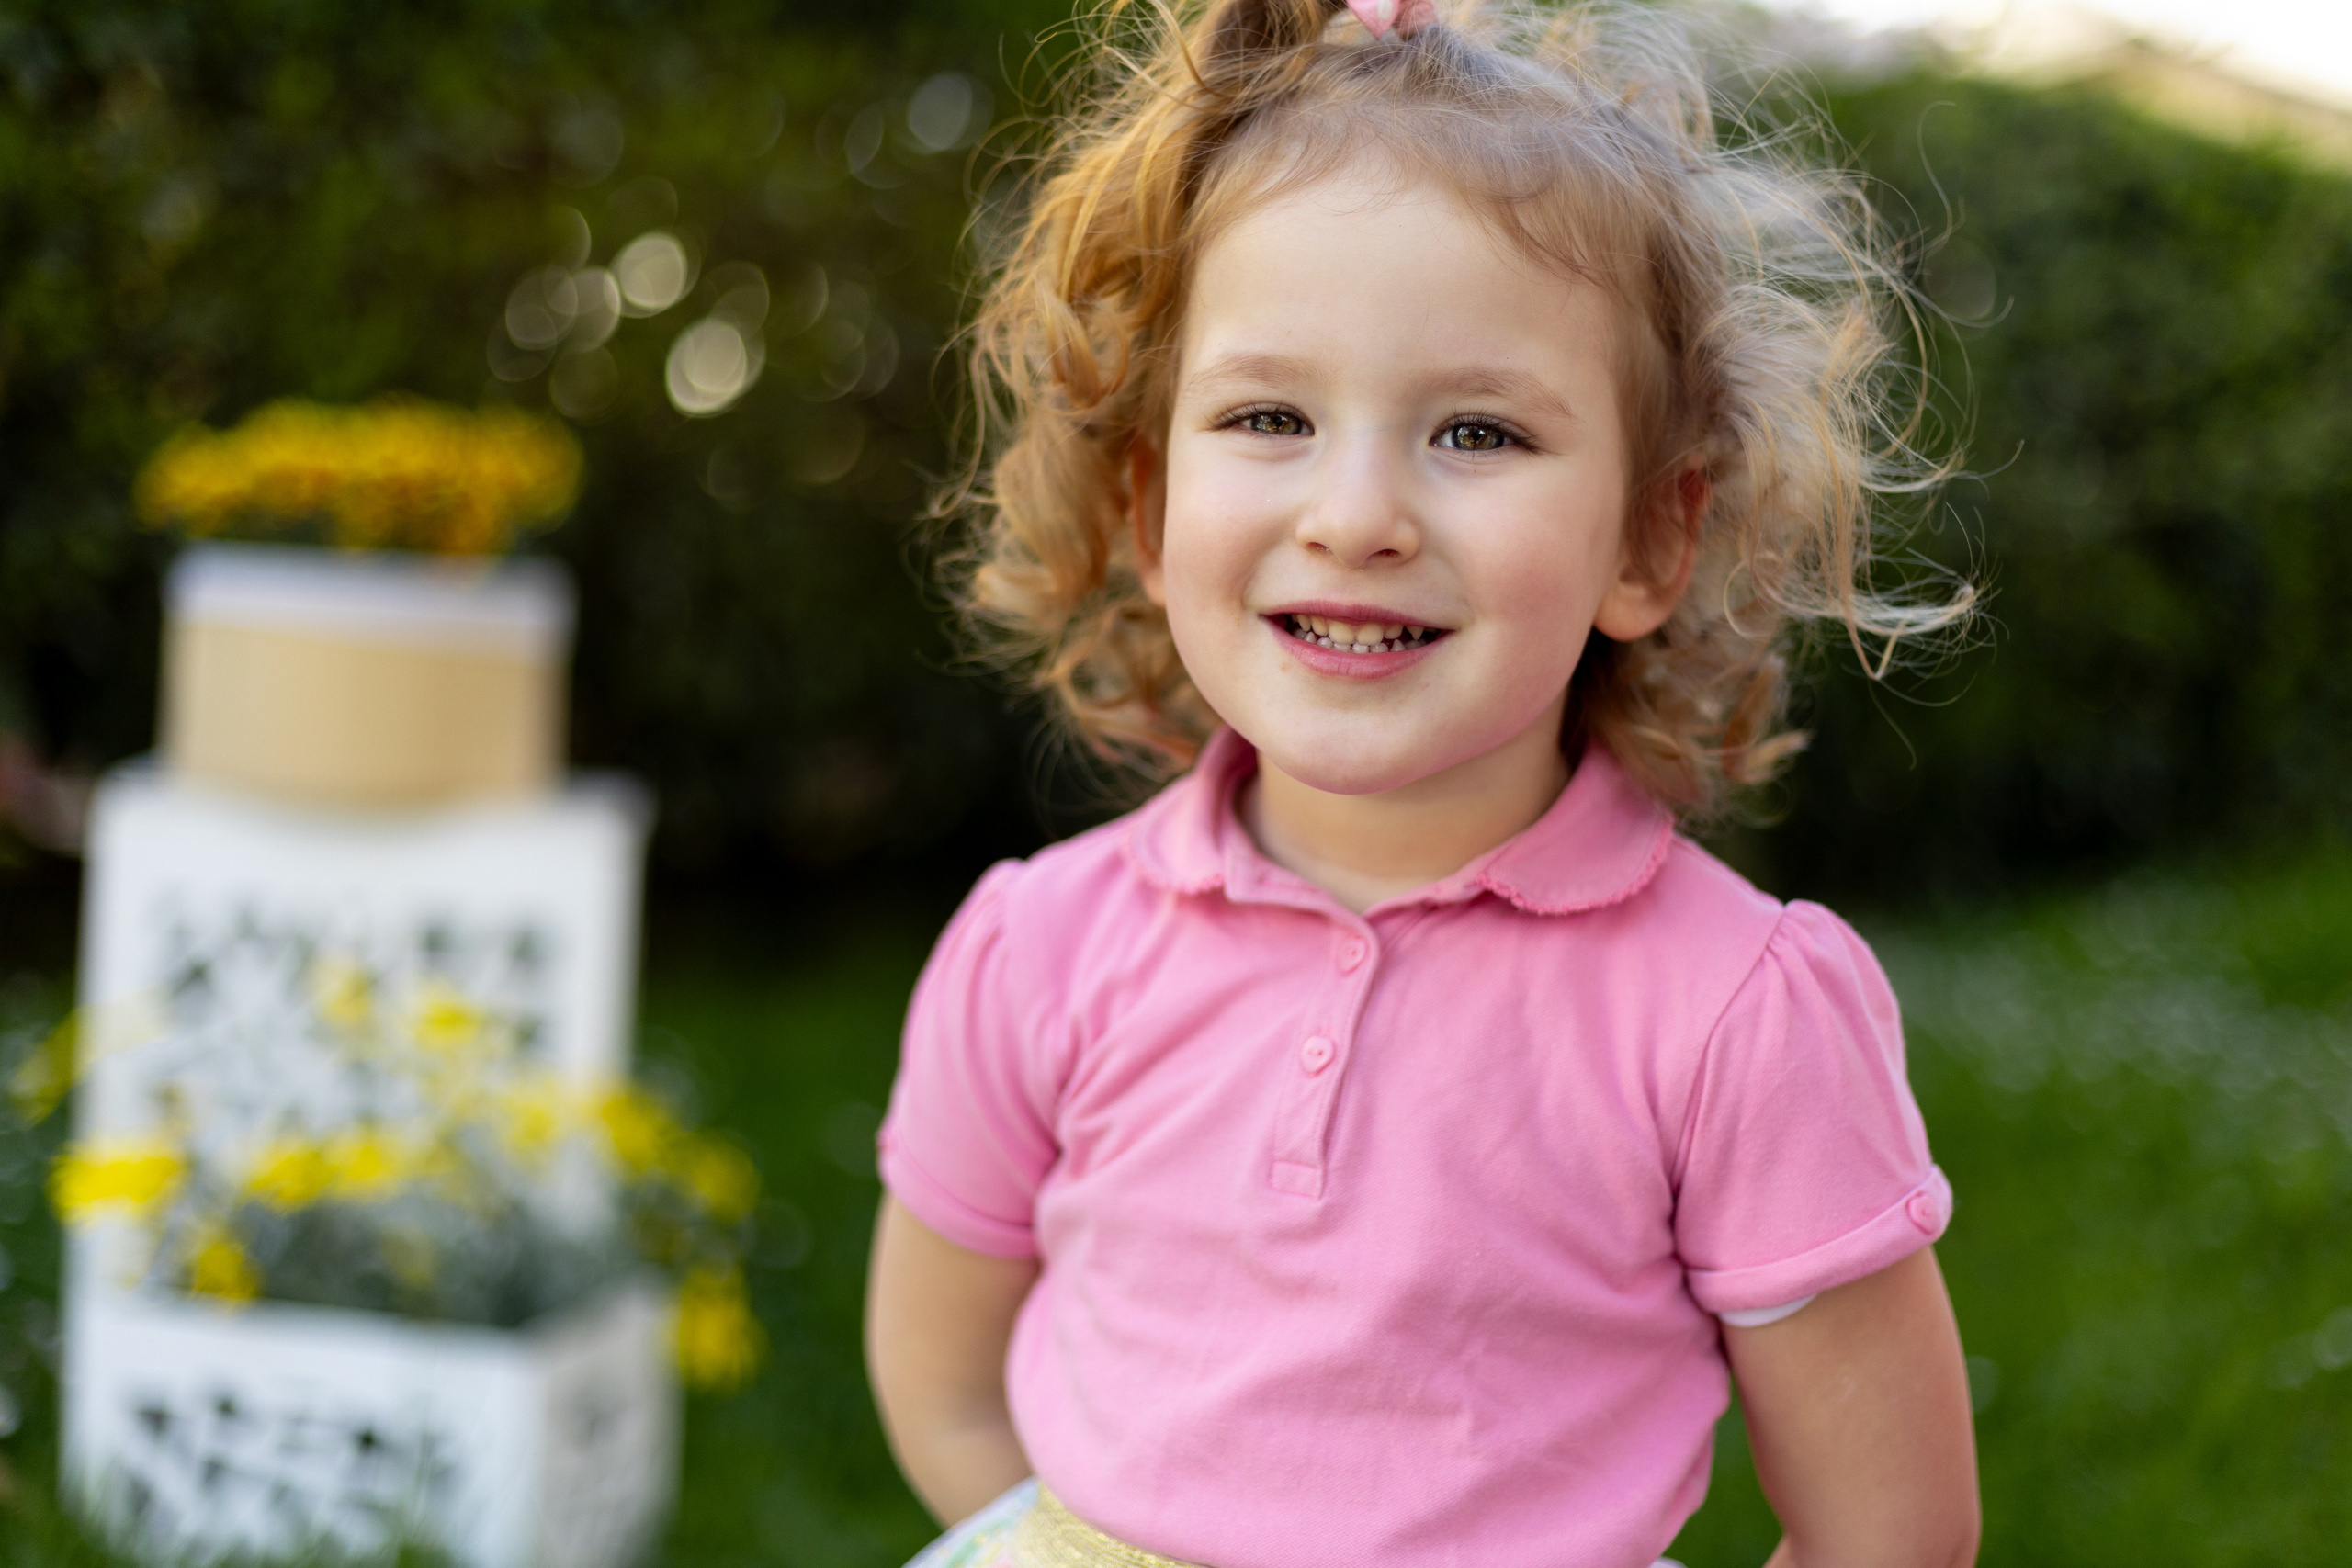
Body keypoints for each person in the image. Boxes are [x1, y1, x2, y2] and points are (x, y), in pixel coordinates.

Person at [865, 0, 1982, 1562]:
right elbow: (940, 1370)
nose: (1358, 512)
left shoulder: (1737, 1014)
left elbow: (1890, 1532)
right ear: (1149, 494)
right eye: (1269, 417)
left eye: (1475, 429)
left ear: (1651, 537)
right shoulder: (1038, 950)